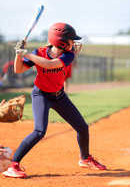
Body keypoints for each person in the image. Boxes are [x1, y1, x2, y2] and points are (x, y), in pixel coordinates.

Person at [2, 22, 106, 178]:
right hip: (41, 95)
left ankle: (85, 159)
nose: (74, 43)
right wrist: (18, 53)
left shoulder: (68, 55)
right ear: (61, 42)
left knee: (83, 127)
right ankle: (13, 166)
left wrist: (26, 54)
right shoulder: (40, 52)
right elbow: (18, 69)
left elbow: (51, 65)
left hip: (59, 96)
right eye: (71, 40)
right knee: (39, 131)